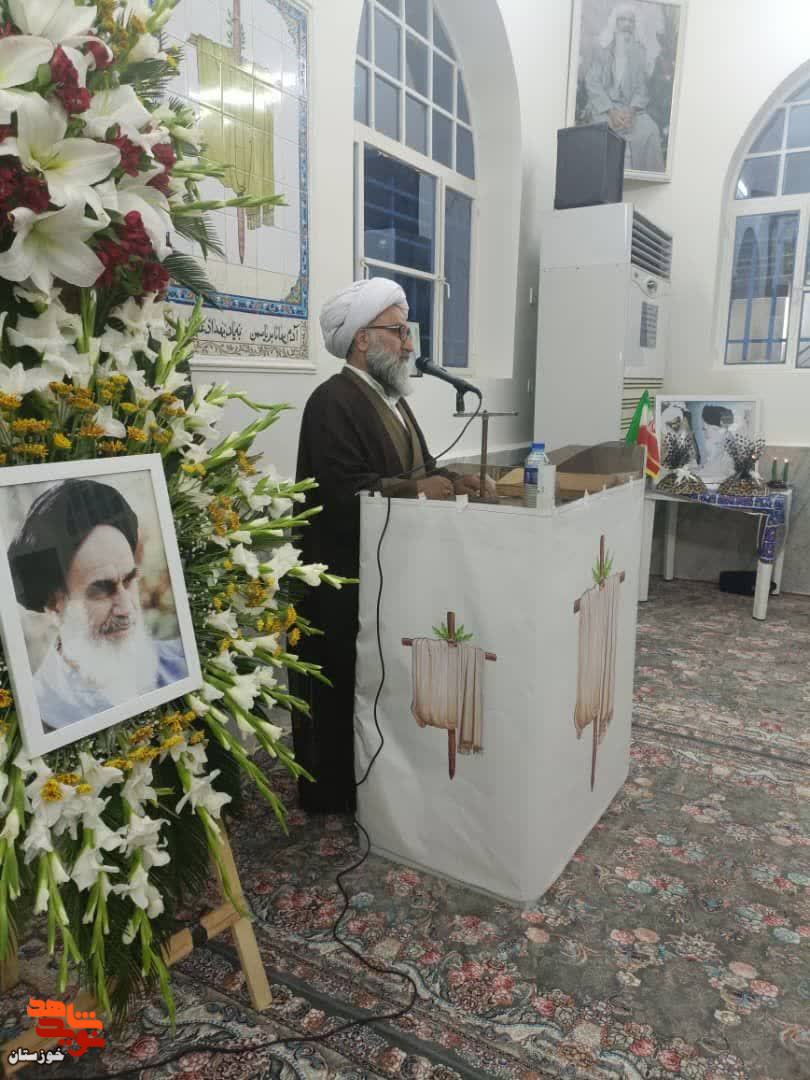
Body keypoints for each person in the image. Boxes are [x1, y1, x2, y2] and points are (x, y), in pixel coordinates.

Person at [292, 277, 491, 813]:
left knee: (375, 681)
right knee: (338, 684)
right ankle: (336, 796)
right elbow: (338, 492)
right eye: (398, 331)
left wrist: (457, 479)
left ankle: (377, 782)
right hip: (337, 574)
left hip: (384, 570)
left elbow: (417, 467)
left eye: (407, 332)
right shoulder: (331, 401)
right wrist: (417, 490)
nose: (408, 344)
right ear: (362, 339)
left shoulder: (393, 400)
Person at [8, 479, 187, 731]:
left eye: (129, 580)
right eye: (102, 590)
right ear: (54, 604)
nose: (126, 608)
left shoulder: (181, 659)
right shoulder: (38, 716)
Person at [584, 4, 665, 174]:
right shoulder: (602, 49)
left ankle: (645, 180)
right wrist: (611, 111)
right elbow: (593, 83)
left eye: (631, 21)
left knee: (650, 130)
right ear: (615, 22)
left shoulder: (640, 52)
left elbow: (642, 89)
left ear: (635, 25)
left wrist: (631, 112)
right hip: (605, 108)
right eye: (622, 19)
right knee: (602, 131)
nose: (627, 24)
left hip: (631, 110)